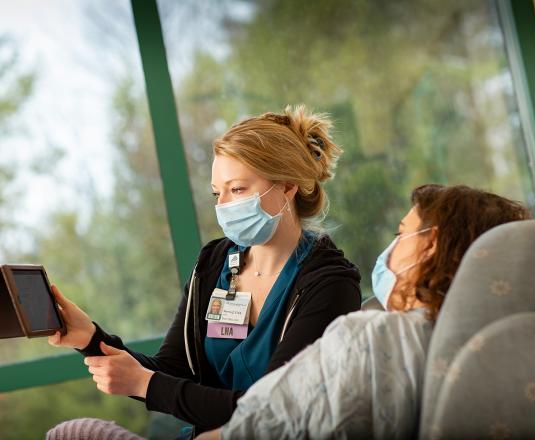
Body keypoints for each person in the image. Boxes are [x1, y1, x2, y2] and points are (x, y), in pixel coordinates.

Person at [47, 105, 361, 437]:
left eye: (237, 189)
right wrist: (89, 338)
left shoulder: (330, 285)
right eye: (217, 193)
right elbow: (171, 370)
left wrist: (146, 384)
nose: (223, 205)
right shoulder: (215, 263)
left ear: (287, 186)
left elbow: (271, 410)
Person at [196, 184, 531, 440]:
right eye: (217, 192)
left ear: (430, 245)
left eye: (401, 233)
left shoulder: (373, 337)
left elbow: (254, 425)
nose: (392, 247)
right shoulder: (508, 354)